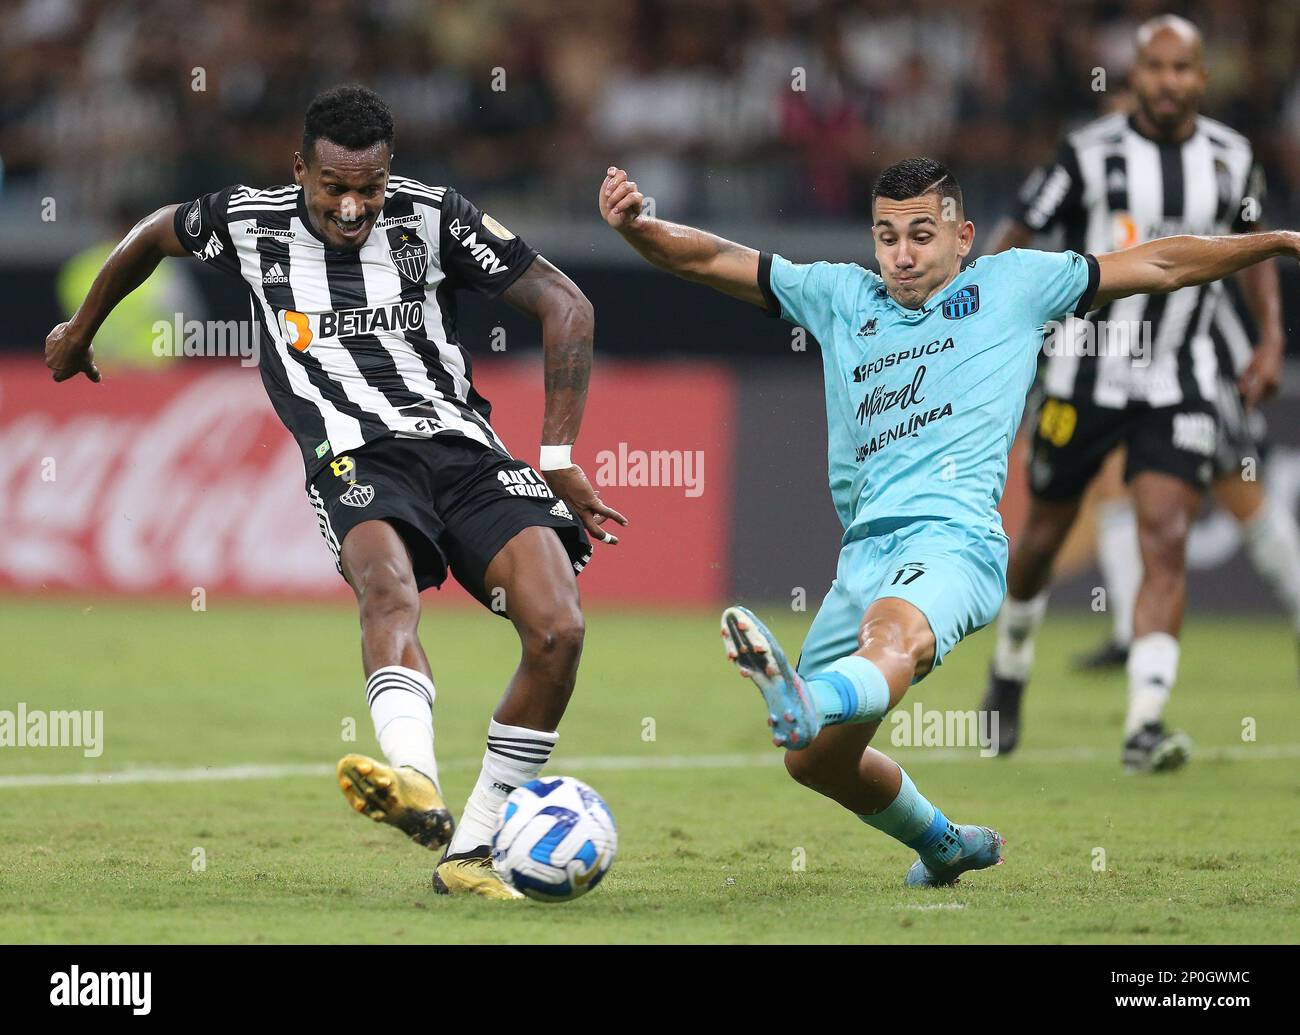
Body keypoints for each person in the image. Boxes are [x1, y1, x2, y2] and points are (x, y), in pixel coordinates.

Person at [599, 153, 1297, 886]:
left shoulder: (1015, 284)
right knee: (815, 759)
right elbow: (713, 258)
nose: (902, 255)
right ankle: (943, 841)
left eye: (922, 235)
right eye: (887, 236)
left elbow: (1156, 263)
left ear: (964, 237)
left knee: (890, 636)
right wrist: (639, 227)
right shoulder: (839, 295)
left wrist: (1275, 242)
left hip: (955, 544)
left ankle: (812, 697)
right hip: (861, 557)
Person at [44, 84, 627, 900]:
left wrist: (558, 450)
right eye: (334, 187)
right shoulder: (248, 221)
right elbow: (153, 234)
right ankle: (415, 779)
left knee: (560, 628)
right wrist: (81, 330)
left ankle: (473, 850)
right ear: (300, 171)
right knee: (386, 591)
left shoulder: (435, 217)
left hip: (463, 449)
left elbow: (569, 303)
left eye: (370, 187)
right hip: (354, 454)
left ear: (390, 174)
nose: (353, 207)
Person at [981, 15, 1286, 769]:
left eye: (1183, 68)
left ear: (1201, 78)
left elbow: (1250, 252)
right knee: (1043, 537)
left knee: (1166, 533)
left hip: (1181, 379)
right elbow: (1017, 229)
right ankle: (1010, 672)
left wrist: (1271, 334)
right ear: (1136, 74)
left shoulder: (1231, 157)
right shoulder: (1088, 152)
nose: (1169, 82)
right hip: (1083, 370)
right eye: (1156, 67)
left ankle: (1144, 723)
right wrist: (980, 318)